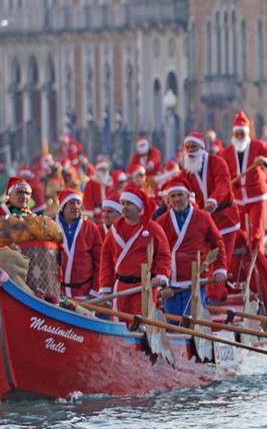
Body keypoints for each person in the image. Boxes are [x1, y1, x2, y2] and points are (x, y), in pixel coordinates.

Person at [155, 178, 229, 317]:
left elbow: (218, 243)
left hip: (196, 281)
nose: (177, 199)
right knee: (173, 325)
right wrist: (161, 285)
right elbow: (156, 254)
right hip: (171, 284)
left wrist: (220, 269)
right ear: (168, 200)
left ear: (188, 196)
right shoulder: (161, 221)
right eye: (173, 196)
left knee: (194, 322)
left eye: (180, 195)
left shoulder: (203, 217)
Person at [98, 185, 172, 317]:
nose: (125, 207)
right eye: (123, 203)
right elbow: (106, 262)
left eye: (129, 203)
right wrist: (105, 289)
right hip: (120, 288)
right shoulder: (114, 230)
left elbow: (164, 255)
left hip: (144, 287)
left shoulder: (153, 229)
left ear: (139, 207)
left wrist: (161, 275)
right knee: (118, 324)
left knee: (141, 326)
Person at [178, 132, 240, 275]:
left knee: (220, 264)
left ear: (201, 148)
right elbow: (179, 187)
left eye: (193, 147)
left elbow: (223, 185)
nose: (190, 151)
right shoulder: (187, 171)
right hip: (206, 223)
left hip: (225, 219)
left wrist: (213, 200)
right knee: (204, 264)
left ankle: (215, 295)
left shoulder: (217, 162)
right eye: (187, 147)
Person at [221, 110, 267, 252]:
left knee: (257, 233)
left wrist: (265, 161)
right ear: (233, 134)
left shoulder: (258, 146)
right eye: (237, 134)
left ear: (247, 134)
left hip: (257, 196)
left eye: (242, 134)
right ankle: (242, 265)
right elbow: (221, 173)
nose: (240, 137)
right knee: (239, 233)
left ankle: (257, 260)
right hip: (237, 198)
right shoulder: (227, 152)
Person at [54, 189, 103, 300]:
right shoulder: (51, 227)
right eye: (71, 203)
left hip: (84, 294)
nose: (76, 206)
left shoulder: (91, 228)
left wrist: (95, 290)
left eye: (78, 203)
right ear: (63, 206)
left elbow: (99, 262)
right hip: (57, 293)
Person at [82, 158, 115, 223]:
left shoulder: (111, 183)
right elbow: (88, 200)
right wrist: (91, 213)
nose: (103, 171)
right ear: (97, 170)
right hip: (95, 215)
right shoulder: (91, 183)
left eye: (105, 169)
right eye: (101, 169)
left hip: (110, 215)